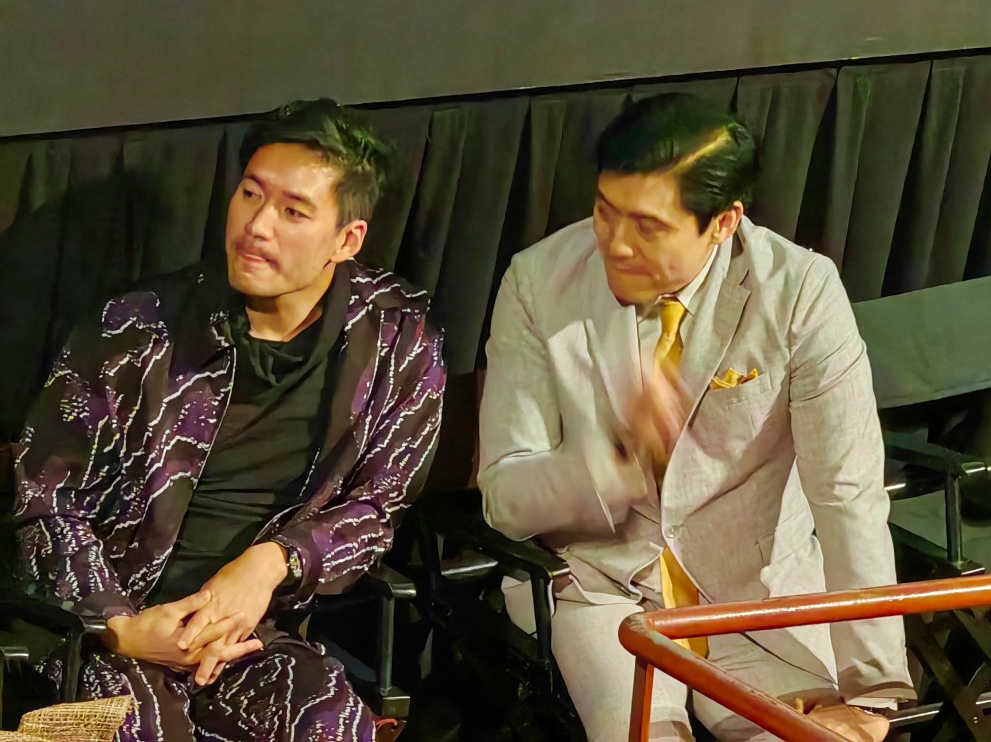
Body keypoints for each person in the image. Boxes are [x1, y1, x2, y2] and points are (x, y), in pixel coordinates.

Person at [478, 94, 911, 741]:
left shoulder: (799, 291)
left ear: (723, 223)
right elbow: (504, 500)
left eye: (648, 227)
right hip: (602, 590)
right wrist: (614, 457)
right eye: (604, 211)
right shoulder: (539, 281)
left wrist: (872, 693)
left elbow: (846, 494)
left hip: (755, 594)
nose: (614, 245)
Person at [13, 99, 445, 741]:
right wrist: (120, 626)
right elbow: (44, 500)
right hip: (107, 633)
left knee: (330, 725)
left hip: (254, 637)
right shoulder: (137, 328)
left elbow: (378, 507)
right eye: (250, 194)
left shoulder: (395, 339)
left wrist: (274, 562)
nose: (257, 226)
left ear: (347, 240)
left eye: (293, 211)